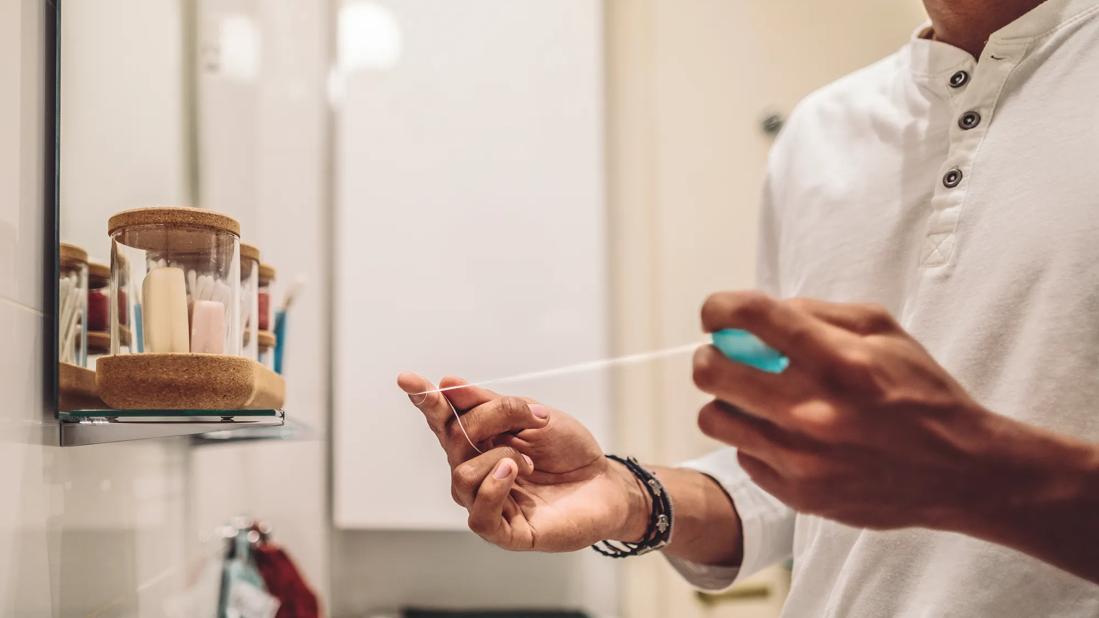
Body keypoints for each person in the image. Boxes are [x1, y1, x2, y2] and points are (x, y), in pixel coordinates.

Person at [398, 0, 1099, 614]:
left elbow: (925, 470)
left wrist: (976, 473)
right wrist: (626, 496)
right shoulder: (821, 133)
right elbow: (804, 495)